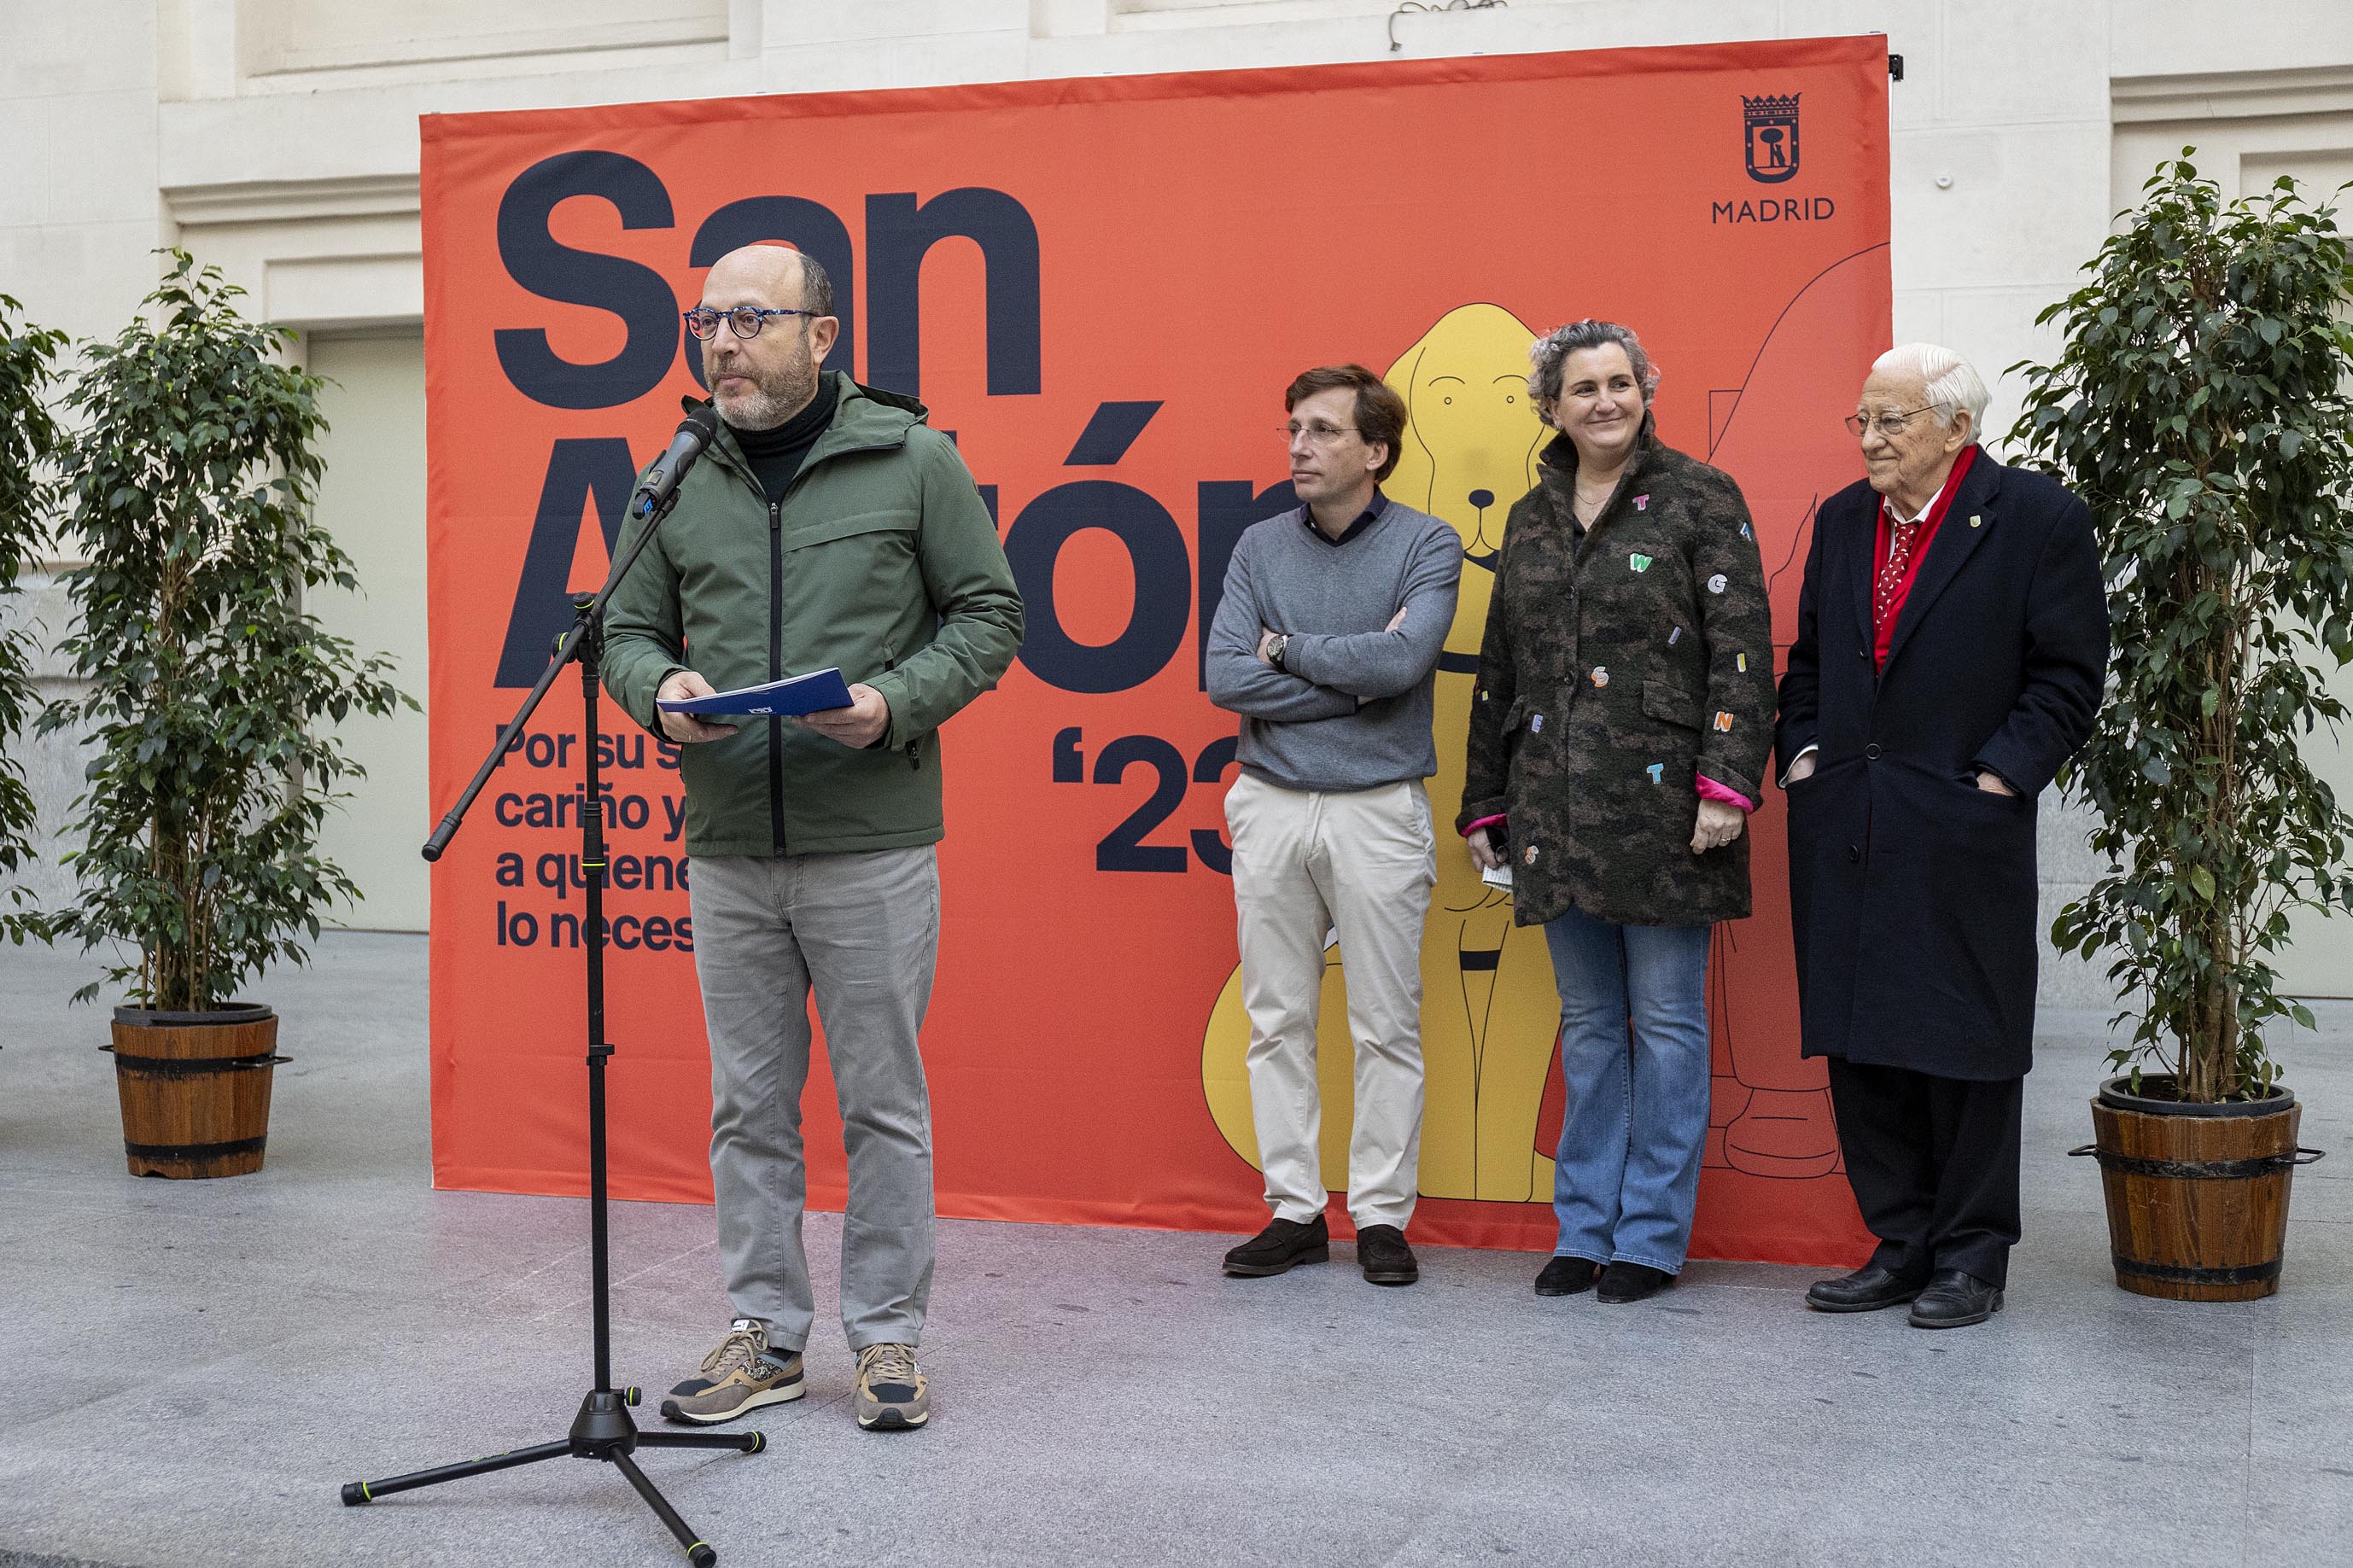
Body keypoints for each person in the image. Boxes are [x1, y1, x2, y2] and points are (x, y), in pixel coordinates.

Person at [603, 243, 1023, 1428]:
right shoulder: (676, 473)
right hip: (728, 841)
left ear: (821, 335)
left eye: (751, 319)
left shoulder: (913, 459)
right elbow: (622, 630)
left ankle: (886, 1337)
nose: (723, 344)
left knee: (882, 1102)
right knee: (748, 1107)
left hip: (869, 839)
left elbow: (991, 613)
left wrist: (893, 703)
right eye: (707, 322)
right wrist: (659, 687)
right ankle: (767, 1333)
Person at [1777, 343, 2105, 1329]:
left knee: (1965, 1038)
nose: (1869, 439)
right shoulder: (1842, 520)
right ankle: (1899, 1241)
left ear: (1956, 427)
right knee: (1861, 1035)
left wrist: (1999, 775)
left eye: (1892, 420)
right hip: (1847, 819)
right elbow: (1809, 663)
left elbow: (2067, 675)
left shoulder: (2036, 517)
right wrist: (1803, 756)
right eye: (1862, 420)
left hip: (1961, 820)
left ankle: (1970, 1255)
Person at [1458, 320, 1773, 1305]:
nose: (1604, 401)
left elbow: (1741, 646)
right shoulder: (1528, 517)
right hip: (1553, 808)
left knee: (1668, 1026)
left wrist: (1726, 782)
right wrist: (1484, 801)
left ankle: (1648, 1239)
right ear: (1549, 407)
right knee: (1591, 1026)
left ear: (1644, 390)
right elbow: (1498, 667)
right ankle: (1583, 1228)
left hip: (1669, 811)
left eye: (1619, 382)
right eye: (1582, 388)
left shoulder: (1699, 495)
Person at [1206, 364, 1463, 1286]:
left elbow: (1400, 665)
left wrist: (1285, 649)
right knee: (1276, 1017)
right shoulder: (1258, 545)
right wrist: (1350, 686)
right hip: (1271, 800)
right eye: (1292, 430)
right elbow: (1225, 676)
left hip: (1377, 809)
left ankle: (1383, 1216)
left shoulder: (1427, 543)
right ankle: (1294, 1210)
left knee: (1384, 1022)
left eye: (1321, 430)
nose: (1298, 447)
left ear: (1375, 451)